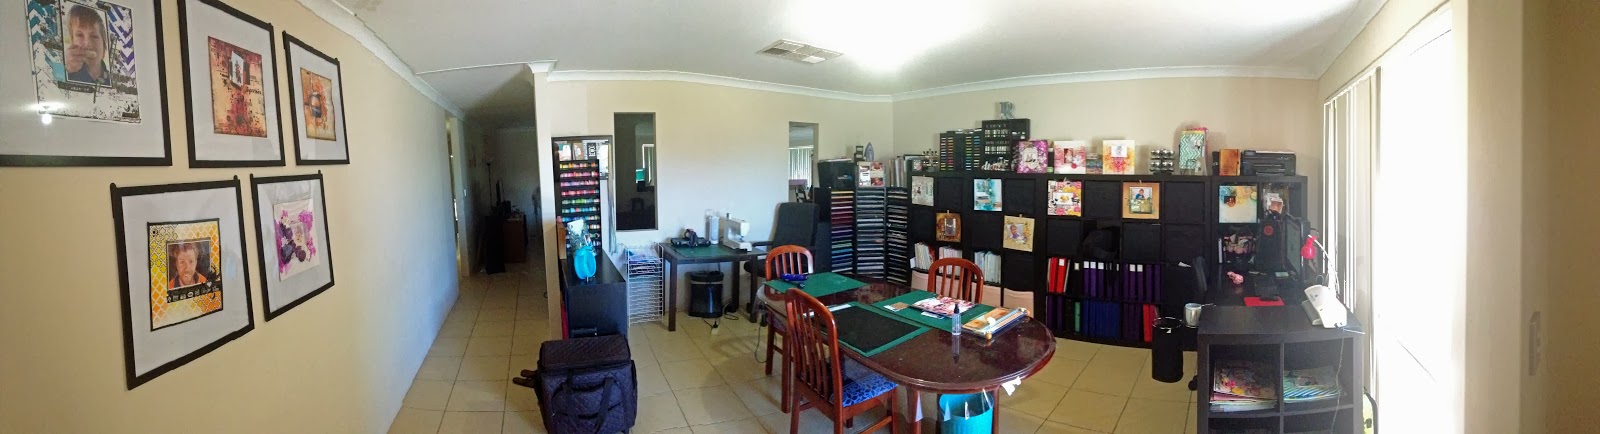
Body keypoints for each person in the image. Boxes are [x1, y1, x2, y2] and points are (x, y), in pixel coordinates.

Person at [65, 5, 110, 85]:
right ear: (72, 41)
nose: (87, 44)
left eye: (94, 36)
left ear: (103, 44)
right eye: (79, 35)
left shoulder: (114, 81)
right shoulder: (65, 74)